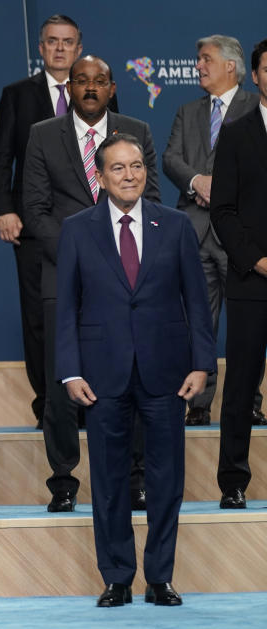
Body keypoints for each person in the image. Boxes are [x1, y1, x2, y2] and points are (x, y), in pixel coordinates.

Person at [56, 133, 214, 607]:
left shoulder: (178, 225)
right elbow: (65, 307)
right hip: (101, 374)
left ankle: (160, 577)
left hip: (167, 372)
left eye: (137, 166)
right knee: (107, 480)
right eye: (118, 168)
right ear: (100, 177)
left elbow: (197, 303)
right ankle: (117, 577)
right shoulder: (77, 229)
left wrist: (202, 364)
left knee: (167, 479)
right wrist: (70, 371)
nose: (130, 175)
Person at [23, 55, 159, 513]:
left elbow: (152, 200)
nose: (90, 88)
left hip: (128, 277)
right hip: (63, 272)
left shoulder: (135, 130)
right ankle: (63, 480)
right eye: (81, 81)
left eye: (99, 81)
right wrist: (81, 254)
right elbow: (36, 211)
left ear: (112, 87)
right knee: (61, 380)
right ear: (70, 87)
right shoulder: (44, 134)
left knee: (132, 373)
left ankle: (135, 476)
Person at [0, 15, 116, 428]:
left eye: (67, 42)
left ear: (79, 48)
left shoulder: (100, 90)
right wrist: (4, 209)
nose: (60, 49)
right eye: (51, 42)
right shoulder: (17, 94)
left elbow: (116, 154)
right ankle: (48, 401)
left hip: (97, 226)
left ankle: (92, 397)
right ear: (40, 49)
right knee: (39, 315)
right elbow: (1, 157)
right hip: (35, 225)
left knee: (95, 312)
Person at [163, 35, 266, 428]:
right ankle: (199, 402)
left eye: (206, 59)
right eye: (197, 59)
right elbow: (171, 157)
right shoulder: (187, 111)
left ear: (231, 66)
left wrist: (220, 185)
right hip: (194, 229)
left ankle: (249, 401)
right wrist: (196, 181)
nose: (199, 66)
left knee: (250, 326)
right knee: (197, 320)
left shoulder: (254, 108)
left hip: (241, 235)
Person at [210, 38, 267, 510]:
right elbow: (223, 211)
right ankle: (233, 480)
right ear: (256, 75)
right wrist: (256, 259)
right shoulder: (235, 132)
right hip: (252, 281)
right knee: (242, 383)